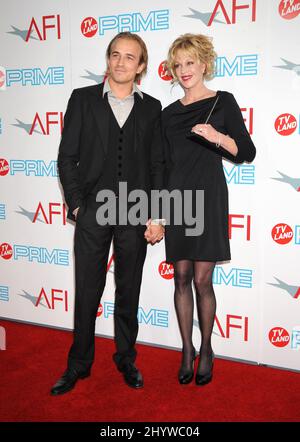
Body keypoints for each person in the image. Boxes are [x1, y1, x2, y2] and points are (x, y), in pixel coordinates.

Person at [51, 32, 165, 395]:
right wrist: (79, 205)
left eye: (129, 57)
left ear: (141, 66)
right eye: (115, 55)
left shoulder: (152, 108)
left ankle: (126, 358)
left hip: (136, 211)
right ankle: (79, 363)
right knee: (87, 290)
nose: (120, 62)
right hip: (93, 211)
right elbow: (67, 157)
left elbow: (157, 165)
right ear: (108, 59)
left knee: (128, 288)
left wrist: (157, 214)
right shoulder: (82, 99)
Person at [162, 34, 256, 386]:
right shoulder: (167, 114)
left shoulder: (223, 102)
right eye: (178, 64)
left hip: (209, 197)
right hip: (176, 200)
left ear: (204, 64)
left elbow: (246, 152)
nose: (184, 70)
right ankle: (186, 349)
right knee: (181, 277)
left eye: (191, 62)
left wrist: (217, 136)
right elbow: (162, 164)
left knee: (202, 279)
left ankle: (207, 348)